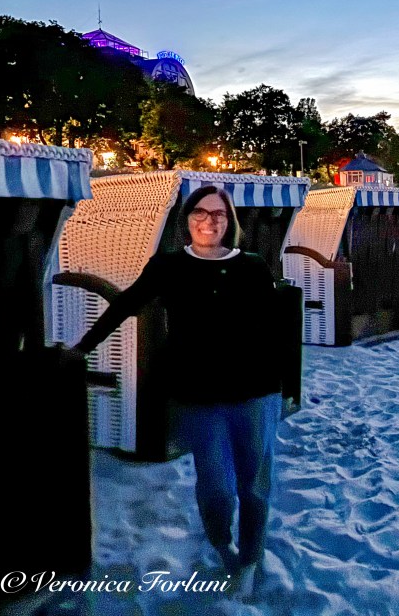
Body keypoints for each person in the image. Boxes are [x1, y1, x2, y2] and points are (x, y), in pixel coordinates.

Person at [70, 186, 281, 596]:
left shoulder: (252, 266)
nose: (210, 221)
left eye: (219, 214)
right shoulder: (168, 266)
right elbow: (126, 304)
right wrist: (83, 347)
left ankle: (250, 560)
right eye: (201, 212)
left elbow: (273, 325)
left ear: (229, 221)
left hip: (255, 391)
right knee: (216, 488)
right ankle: (222, 543)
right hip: (199, 395)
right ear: (187, 218)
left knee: (254, 484)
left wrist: (277, 376)